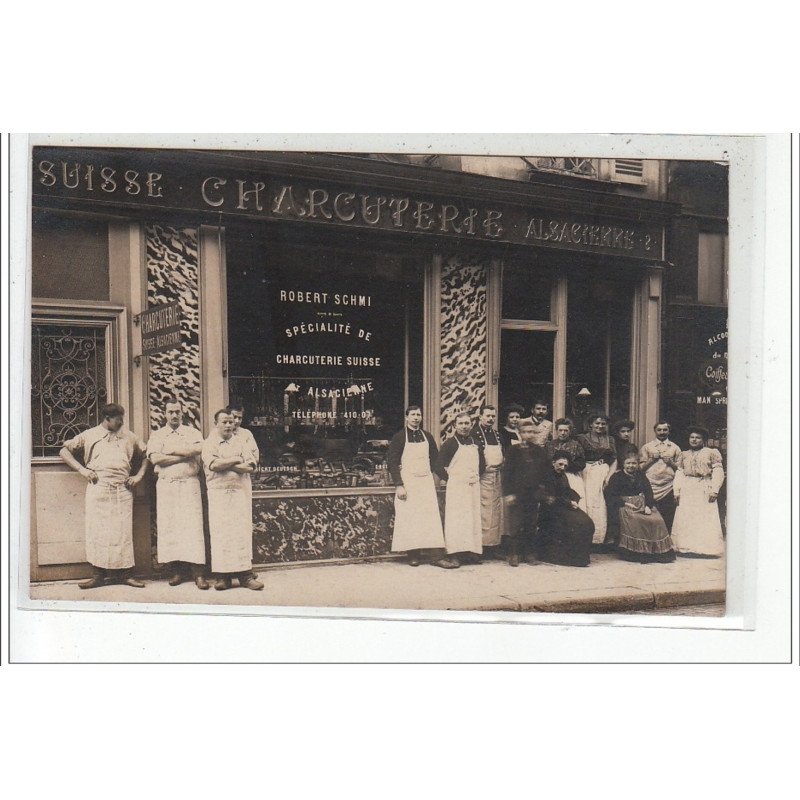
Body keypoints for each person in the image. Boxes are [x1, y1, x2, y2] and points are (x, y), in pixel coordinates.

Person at [59, 403, 148, 589]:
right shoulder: (89, 434)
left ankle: (126, 574)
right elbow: (64, 451)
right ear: (106, 419)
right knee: (97, 530)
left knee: (123, 530)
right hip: (98, 487)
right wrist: (83, 471)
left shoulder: (129, 436)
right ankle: (97, 575)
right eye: (118, 419)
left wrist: (138, 476)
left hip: (122, 488)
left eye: (122, 418)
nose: (122, 422)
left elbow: (147, 454)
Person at [147, 399, 209, 589]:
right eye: (170, 412)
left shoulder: (192, 432)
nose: (174, 415)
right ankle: (176, 572)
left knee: (192, 527)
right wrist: (184, 455)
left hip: (190, 485)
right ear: (164, 414)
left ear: (182, 414)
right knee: (170, 527)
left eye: (177, 412)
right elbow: (156, 458)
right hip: (167, 487)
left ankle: (198, 574)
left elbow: (200, 448)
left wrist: (171, 454)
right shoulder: (157, 435)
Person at [387, 405, 458, 569]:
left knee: (430, 518)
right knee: (411, 519)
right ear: (406, 417)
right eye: (412, 415)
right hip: (408, 483)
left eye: (418, 415)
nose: (416, 418)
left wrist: (448, 478)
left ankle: (436, 556)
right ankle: (413, 555)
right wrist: (399, 485)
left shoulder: (427, 436)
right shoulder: (399, 437)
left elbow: (436, 461)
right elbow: (392, 462)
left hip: (425, 482)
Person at [202, 409, 264, 590]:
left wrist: (227, 463)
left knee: (240, 533)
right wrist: (236, 460)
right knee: (221, 534)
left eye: (231, 422)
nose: (229, 425)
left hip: (239, 495)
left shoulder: (241, 442)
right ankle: (223, 577)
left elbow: (251, 466)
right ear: (217, 424)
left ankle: (246, 576)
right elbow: (213, 465)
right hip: (218, 495)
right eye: (225, 422)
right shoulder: (209, 443)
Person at [604, 453, 676, 563]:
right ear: (623, 464)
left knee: (657, 520)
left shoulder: (641, 475)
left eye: (634, 463)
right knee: (636, 520)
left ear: (638, 464)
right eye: (628, 463)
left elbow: (648, 492)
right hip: (625, 505)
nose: (631, 466)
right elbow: (611, 495)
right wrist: (625, 504)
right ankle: (636, 552)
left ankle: (657, 552)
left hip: (642, 503)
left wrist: (648, 505)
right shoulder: (616, 477)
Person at [436, 412, 485, 565]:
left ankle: (471, 552)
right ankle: (454, 553)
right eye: (461, 423)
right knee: (456, 520)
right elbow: (437, 466)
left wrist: (474, 477)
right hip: (457, 488)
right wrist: (452, 479)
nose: (464, 426)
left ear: (471, 425)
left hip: (473, 487)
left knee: (472, 519)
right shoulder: (450, 444)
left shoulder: (476, 442)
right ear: (455, 426)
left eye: (467, 423)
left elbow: (482, 465)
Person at [671, 426, 725, 557]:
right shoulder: (684, 454)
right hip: (688, 487)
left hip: (704, 486)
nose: (694, 440)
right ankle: (685, 547)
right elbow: (679, 473)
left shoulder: (711, 452)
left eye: (698, 438)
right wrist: (676, 490)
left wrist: (714, 490)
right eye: (692, 437)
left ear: (703, 440)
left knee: (703, 516)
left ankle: (705, 549)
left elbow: (718, 472)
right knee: (687, 516)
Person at [502, 420, 550, 566]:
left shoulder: (540, 451)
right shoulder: (513, 450)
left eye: (533, 432)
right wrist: (508, 493)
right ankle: (514, 554)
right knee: (515, 525)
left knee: (531, 524)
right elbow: (507, 473)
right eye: (526, 432)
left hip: (533, 493)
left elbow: (545, 472)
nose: (530, 435)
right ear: (520, 433)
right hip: (517, 493)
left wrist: (543, 490)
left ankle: (529, 554)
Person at [534, 453, 595, 567]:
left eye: (565, 466)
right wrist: (568, 503)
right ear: (553, 463)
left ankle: (580, 558)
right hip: (550, 510)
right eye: (560, 464)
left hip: (563, 506)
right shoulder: (546, 476)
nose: (562, 467)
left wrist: (574, 499)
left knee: (587, 522)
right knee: (578, 523)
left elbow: (567, 490)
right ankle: (564, 558)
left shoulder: (562, 475)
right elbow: (548, 497)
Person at [577, 414, 617, 547]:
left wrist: (609, 477)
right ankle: (587, 538)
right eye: (597, 423)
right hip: (587, 471)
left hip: (604, 471)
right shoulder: (582, 438)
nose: (600, 426)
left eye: (603, 424)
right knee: (588, 502)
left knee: (601, 504)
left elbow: (614, 460)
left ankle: (599, 539)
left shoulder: (610, 439)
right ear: (591, 424)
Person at [472, 405, 504, 555]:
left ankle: (493, 546)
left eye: (493, 416)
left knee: (495, 512)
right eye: (488, 416)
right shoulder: (474, 434)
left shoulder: (497, 434)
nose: (491, 419)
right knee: (482, 512)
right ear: (480, 417)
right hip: (482, 478)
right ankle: (480, 547)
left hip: (497, 477)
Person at [638, 421, 682, 532]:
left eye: (665, 430)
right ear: (655, 431)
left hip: (668, 487)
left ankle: (666, 542)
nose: (662, 432)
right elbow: (640, 468)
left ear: (669, 431)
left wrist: (671, 462)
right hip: (650, 485)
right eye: (659, 430)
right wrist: (651, 460)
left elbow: (681, 470)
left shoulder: (675, 448)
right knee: (650, 515)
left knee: (667, 515)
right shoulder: (647, 447)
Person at [545, 418, 587, 511]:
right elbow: (546, 461)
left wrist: (567, 466)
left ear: (570, 431)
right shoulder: (549, 445)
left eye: (566, 430)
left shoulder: (576, 445)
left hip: (571, 476)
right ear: (556, 431)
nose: (563, 433)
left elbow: (582, 463)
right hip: (554, 476)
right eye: (560, 430)